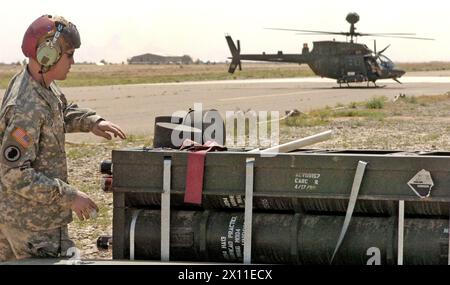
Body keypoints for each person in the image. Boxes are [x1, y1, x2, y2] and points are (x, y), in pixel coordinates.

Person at [0, 14, 126, 262]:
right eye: (69, 55)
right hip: (33, 226)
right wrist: (70, 196)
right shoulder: (27, 107)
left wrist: (91, 121)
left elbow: (59, 111)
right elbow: (13, 173)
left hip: (31, 218)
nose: (73, 62)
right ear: (48, 55)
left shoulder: (40, 84)